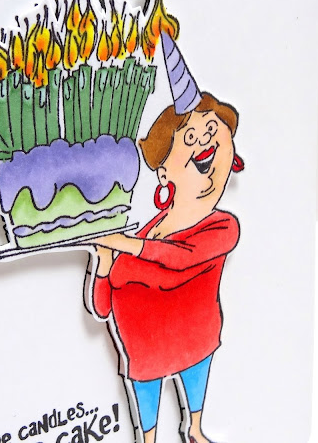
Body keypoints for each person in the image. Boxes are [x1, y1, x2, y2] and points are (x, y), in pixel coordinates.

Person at [88, 92, 242, 443]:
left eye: (213, 130)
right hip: (143, 354)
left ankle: (195, 429)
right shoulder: (145, 233)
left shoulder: (222, 226)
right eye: (190, 136)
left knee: (194, 387)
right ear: (163, 172)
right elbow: (101, 307)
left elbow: (180, 258)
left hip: (194, 339)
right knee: (147, 419)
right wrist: (104, 262)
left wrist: (123, 242)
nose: (203, 139)